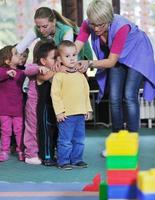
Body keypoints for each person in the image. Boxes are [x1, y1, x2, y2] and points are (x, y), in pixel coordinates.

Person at [75, 0, 155, 141]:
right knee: (114, 97)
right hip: (117, 56)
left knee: (129, 95)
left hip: (138, 53)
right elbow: (76, 46)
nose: (96, 29)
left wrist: (88, 63)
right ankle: (117, 138)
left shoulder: (121, 27)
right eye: (93, 24)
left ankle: (131, 139)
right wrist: (64, 58)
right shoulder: (88, 24)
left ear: (109, 20)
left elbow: (111, 62)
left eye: (101, 25)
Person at [51, 40, 92, 170]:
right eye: (67, 56)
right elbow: (55, 95)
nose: (72, 59)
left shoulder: (81, 76)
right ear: (60, 59)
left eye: (74, 55)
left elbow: (86, 93)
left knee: (79, 139)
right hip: (66, 115)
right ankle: (63, 161)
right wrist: (59, 111)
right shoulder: (59, 76)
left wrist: (88, 109)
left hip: (80, 114)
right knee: (65, 140)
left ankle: (77, 159)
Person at [15, 7, 92, 61]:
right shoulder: (36, 29)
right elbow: (19, 48)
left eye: (45, 26)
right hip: (61, 53)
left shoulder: (66, 30)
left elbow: (68, 55)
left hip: (78, 52)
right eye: (38, 26)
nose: (41, 30)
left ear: (54, 22)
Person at [0, 45, 25, 162]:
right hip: (4, 109)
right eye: (16, 54)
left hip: (18, 109)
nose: (19, 55)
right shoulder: (2, 71)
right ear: (7, 60)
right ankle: (4, 151)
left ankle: (21, 151)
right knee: (6, 131)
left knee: (19, 131)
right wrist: (6, 74)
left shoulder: (21, 72)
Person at [35, 41, 58, 166]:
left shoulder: (57, 72)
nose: (57, 60)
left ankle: (55, 153)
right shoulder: (42, 71)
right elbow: (46, 77)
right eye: (54, 58)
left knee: (56, 132)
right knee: (46, 132)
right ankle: (46, 156)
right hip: (44, 108)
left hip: (57, 108)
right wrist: (60, 68)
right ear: (43, 61)